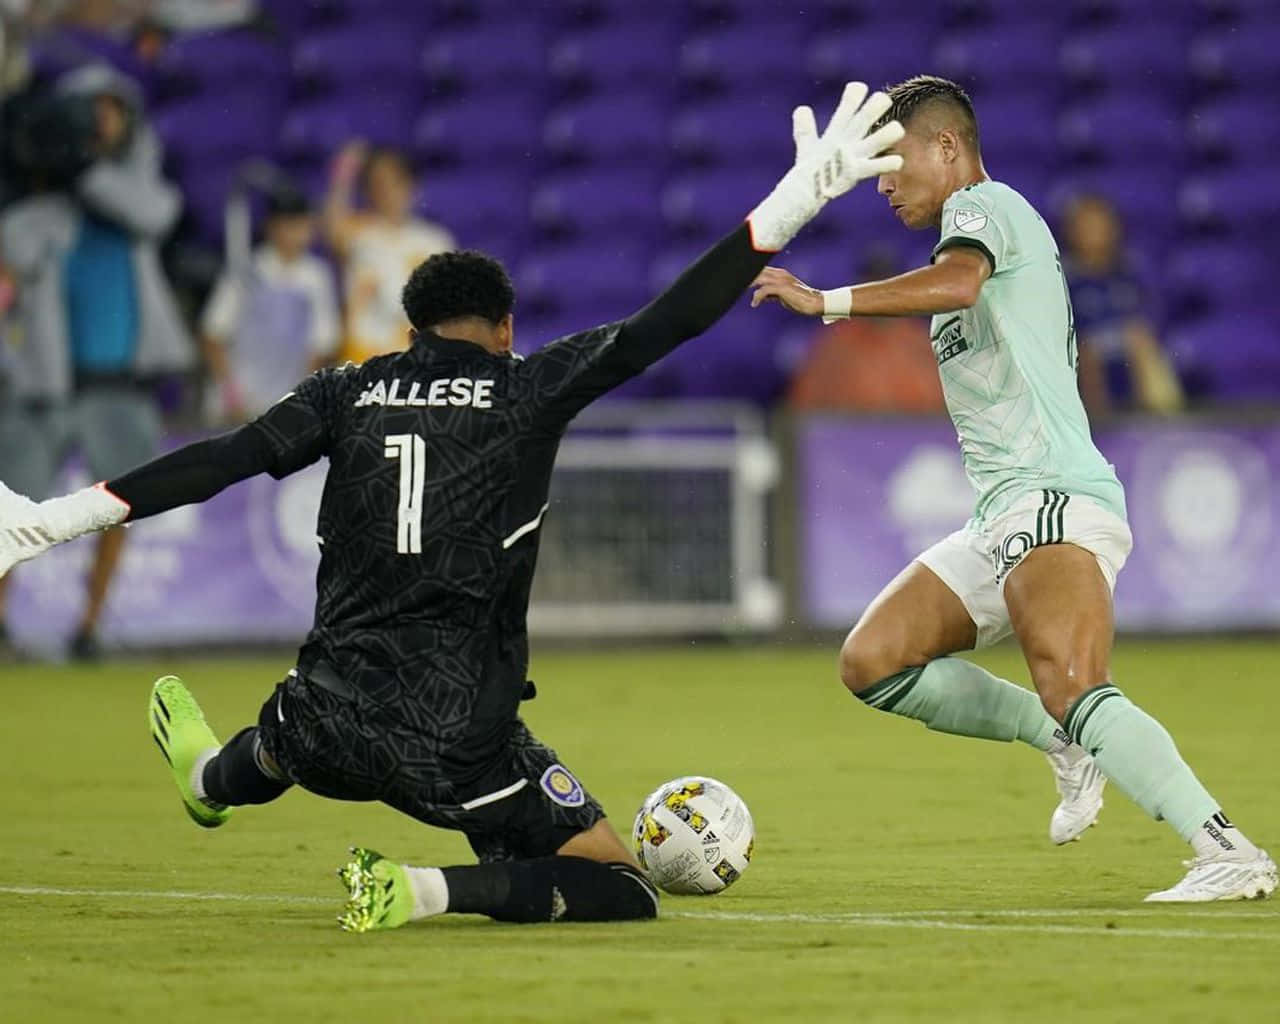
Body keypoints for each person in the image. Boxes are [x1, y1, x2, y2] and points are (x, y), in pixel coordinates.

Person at [0, 83, 904, 928]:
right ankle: (420, 889)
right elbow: (666, 321)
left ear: (410, 331)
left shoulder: (344, 392)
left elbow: (214, 462)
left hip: (328, 712)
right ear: (505, 330)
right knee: (623, 888)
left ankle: (211, 775)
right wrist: (792, 205)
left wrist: (58, 518)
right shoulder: (525, 389)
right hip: (456, 737)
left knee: (279, 739)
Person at [750, 75, 1274, 903]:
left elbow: (960, 284)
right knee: (875, 661)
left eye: (893, 163)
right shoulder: (966, 240)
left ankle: (1227, 848)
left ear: (948, 148)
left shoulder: (985, 211)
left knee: (1074, 680)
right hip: (1003, 512)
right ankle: (1061, 740)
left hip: (1053, 498)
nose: (883, 184)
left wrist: (828, 302)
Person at [0, 65, 191, 659]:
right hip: (45, 390)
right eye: (88, 110)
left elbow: (154, 213)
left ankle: (89, 627)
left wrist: (83, 167)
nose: (100, 121)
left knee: (116, 513)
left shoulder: (141, 199)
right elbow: (15, 248)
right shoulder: (34, 214)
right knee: (9, 515)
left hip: (120, 386)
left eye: (111, 109)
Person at [201, 186, 340, 423]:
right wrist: (231, 395)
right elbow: (212, 335)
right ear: (271, 227)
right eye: (288, 225)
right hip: (237, 407)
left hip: (285, 407)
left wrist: (299, 401)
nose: (295, 234)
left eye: (301, 225)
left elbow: (322, 344)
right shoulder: (246, 272)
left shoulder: (317, 277)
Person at [324, 142, 455, 365]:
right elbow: (332, 229)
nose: (385, 191)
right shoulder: (359, 232)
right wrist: (344, 177)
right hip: (361, 357)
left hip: (413, 360)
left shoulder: (434, 240)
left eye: (393, 182)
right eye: (376, 183)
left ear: (410, 187)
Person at [1062, 194, 1183, 419]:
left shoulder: (1131, 272)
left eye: (1099, 224)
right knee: (1086, 355)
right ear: (1071, 231)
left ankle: (1166, 425)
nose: (1094, 233)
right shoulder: (1063, 277)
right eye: (1086, 226)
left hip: (1128, 355)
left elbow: (1151, 319)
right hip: (1083, 359)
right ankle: (1099, 430)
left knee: (1143, 345)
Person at [787, 248, 943, 412]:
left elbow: (947, 406)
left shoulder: (922, 340)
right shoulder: (835, 342)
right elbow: (804, 406)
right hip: (847, 433)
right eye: (873, 282)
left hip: (917, 434)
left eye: (887, 282)